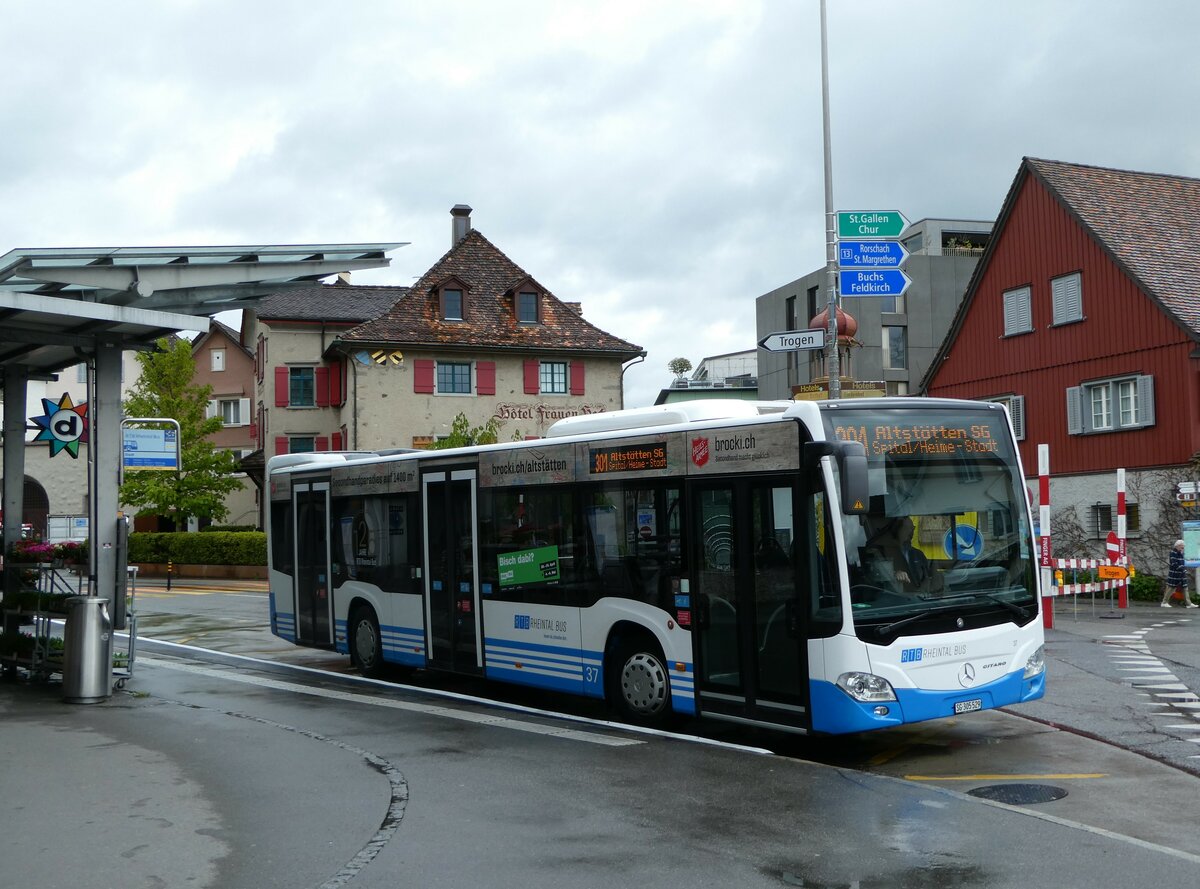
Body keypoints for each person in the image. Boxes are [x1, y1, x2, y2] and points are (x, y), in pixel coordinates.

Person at [1162, 539, 1197, 608]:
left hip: (1181, 574)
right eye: (1182, 546)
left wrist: (1185, 566)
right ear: (1177, 546)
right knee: (1171, 588)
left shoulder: (1180, 553)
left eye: (1183, 547)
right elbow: (1174, 564)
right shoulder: (1173, 553)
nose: (1183, 548)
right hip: (1175, 574)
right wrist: (1182, 569)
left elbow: (1181, 563)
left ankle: (1188, 604)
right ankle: (1164, 602)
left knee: (1185, 588)